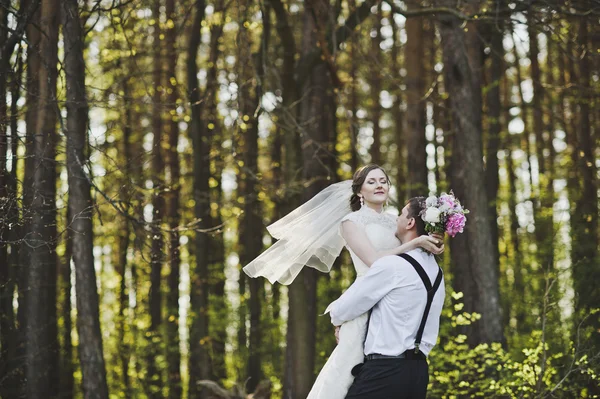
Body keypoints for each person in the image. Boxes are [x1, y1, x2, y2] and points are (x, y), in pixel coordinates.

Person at [243, 164, 442, 399]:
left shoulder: (395, 221)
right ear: (359, 191)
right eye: (371, 181)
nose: (379, 184)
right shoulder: (351, 222)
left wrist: (431, 240)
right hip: (365, 296)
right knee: (349, 373)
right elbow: (373, 261)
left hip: (392, 301)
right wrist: (415, 243)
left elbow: (412, 257)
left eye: (383, 180)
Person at [327, 197, 446, 399]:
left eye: (400, 214)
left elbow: (342, 310)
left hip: (384, 372)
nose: (396, 218)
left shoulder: (392, 265)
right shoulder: (437, 272)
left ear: (410, 223)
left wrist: (338, 322)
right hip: (418, 373)